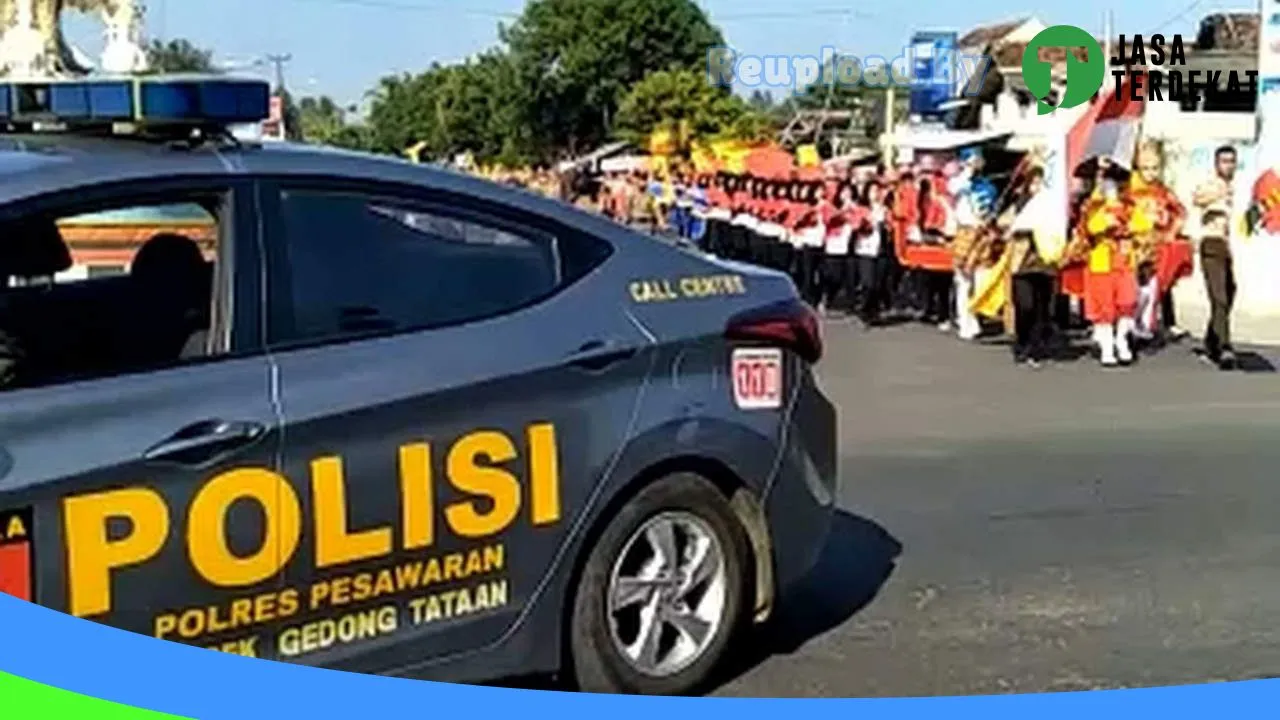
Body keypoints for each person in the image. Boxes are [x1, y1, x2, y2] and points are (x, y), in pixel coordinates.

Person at [1125, 141, 1187, 343]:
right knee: (1130, 289)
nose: (1151, 173)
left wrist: (1171, 230)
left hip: (1156, 247)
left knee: (1152, 289)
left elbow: (1180, 213)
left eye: (1154, 168)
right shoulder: (1128, 189)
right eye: (1146, 168)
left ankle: (1145, 325)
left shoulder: (1163, 191)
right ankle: (1127, 325)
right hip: (1132, 246)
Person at [1080, 162, 1139, 367]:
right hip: (1101, 260)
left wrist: (1129, 225)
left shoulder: (1130, 206)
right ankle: (1107, 345)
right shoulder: (1094, 205)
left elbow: (1143, 224)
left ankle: (1121, 340)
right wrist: (1106, 220)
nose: (1116, 189)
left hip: (1125, 260)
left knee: (1127, 301)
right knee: (1104, 305)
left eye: (1121, 184)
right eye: (1112, 183)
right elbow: (1090, 227)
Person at [1197, 208, 1238, 369]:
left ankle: (1211, 340)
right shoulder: (1213, 186)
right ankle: (1224, 346)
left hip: (1224, 246)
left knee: (1230, 291)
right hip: (1211, 243)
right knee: (1219, 297)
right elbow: (1200, 200)